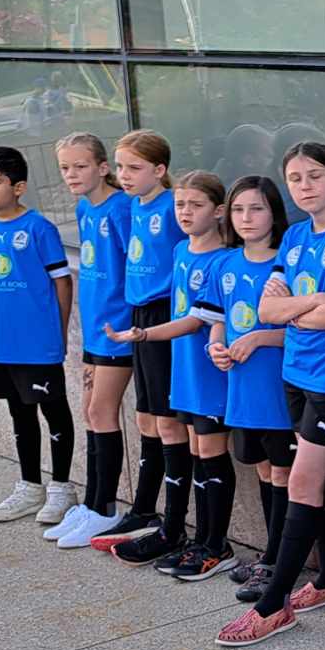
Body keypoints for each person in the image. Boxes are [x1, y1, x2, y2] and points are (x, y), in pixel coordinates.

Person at [214, 142, 325, 647]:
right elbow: (267, 311)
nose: (306, 186)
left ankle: (273, 604)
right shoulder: (297, 235)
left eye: (315, 176)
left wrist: (302, 308)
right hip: (295, 371)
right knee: (324, 474)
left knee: (302, 480)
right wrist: (315, 300)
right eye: (296, 179)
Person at [107, 172, 232, 579]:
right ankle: (194, 538)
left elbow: (198, 321)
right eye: (180, 204)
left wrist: (144, 334)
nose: (185, 212)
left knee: (212, 452)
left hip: (209, 370)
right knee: (195, 449)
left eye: (196, 205)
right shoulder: (180, 250)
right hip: (184, 368)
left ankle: (217, 545)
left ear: (218, 211)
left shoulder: (224, 260)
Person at [0, 145, 76, 525]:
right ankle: (30, 487)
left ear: (18, 187)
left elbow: (62, 283)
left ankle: (62, 487)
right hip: (0, 342)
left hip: (37, 342)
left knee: (53, 410)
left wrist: (59, 332)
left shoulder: (39, 229)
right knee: (20, 413)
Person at [92, 130, 187, 553]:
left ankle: (173, 522)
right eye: (120, 166)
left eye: (135, 167)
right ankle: (145, 508)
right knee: (145, 418)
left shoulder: (173, 206)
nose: (124, 175)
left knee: (167, 420)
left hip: (165, 314)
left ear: (160, 169)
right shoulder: (133, 205)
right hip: (139, 315)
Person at [206, 176, 297, 608]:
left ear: (274, 214)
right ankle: (270, 553)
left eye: (257, 208)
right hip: (241, 390)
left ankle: (279, 562)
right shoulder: (225, 264)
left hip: (277, 388)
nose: (246, 218)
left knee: (283, 473)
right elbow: (218, 320)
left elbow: (302, 331)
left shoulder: (286, 265)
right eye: (239, 209)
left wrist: (260, 338)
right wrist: (215, 346)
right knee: (262, 470)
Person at [46, 131, 132, 546]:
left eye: (80, 166)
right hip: (95, 329)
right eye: (65, 167)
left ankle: (105, 509)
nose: (71, 174)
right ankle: (92, 503)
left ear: (103, 167)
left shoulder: (122, 208)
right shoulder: (84, 208)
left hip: (118, 330)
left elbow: (135, 271)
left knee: (102, 411)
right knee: (89, 411)